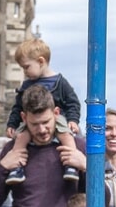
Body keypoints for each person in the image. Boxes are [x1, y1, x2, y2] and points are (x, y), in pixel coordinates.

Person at [5, 37, 84, 189]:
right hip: (30, 124)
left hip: (57, 120)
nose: (25, 72)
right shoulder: (26, 85)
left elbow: (73, 102)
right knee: (21, 138)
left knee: (66, 135)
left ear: (41, 61)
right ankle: (17, 167)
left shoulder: (60, 82)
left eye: (27, 67)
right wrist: (12, 123)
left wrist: (73, 120)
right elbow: (18, 107)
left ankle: (71, 164)